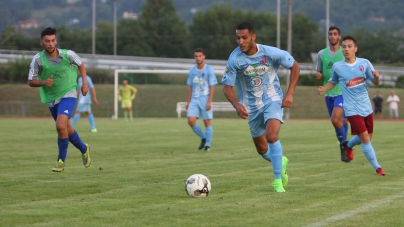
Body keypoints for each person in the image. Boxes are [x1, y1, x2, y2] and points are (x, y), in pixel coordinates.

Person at [222, 22, 300, 192]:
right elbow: (226, 87)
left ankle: (278, 182)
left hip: (272, 99)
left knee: (272, 136)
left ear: (253, 37)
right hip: (251, 107)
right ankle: (281, 160)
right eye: (238, 38)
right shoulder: (234, 59)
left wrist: (289, 93)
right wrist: (236, 105)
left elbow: (295, 66)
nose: (241, 41)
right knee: (262, 149)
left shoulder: (270, 53)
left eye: (244, 37)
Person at [318, 35, 385, 176]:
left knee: (367, 137)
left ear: (355, 49)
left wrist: (377, 77)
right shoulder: (338, 67)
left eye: (349, 46)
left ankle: (347, 145)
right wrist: (324, 88)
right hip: (351, 109)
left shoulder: (365, 63)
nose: (346, 49)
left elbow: (375, 81)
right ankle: (378, 168)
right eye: (344, 47)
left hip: (366, 107)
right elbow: (333, 81)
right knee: (366, 139)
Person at [28, 27, 91, 172]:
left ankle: (60, 161)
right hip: (51, 98)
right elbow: (31, 81)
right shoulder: (38, 60)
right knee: (66, 129)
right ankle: (84, 148)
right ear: (41, 42)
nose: (50, 44)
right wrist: (44, 82)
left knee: (60, 126)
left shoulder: (68, 55)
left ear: (56, 41)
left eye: (53, 40)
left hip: (69, 92)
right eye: (47, 41)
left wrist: (84, 83)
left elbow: (81, 64)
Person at [315, 26, 350, 163]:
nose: (332, 36)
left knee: (336, 120)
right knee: (340, 122)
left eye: (335, 34)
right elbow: (319, 71)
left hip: (344, 92)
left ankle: (343, 146)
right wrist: (318, 74)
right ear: (328, 37)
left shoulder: (345, 52)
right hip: (328, 93)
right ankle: (345, 145)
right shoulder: (321, 54)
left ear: (339, 37)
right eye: (330, 34)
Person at [185, 48, 218, 151]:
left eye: (200, 56)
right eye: (196, 56)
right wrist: (188, 101)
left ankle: (207, 145)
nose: (198, 58)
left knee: (206, 122)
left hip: (205, 98)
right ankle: (203, 138)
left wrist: (209, 101)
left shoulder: (209, 70)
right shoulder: (192, 71)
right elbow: (190, 87)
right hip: (194, 98)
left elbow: (212, 86)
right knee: (190, 120)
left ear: (204, 57)